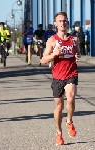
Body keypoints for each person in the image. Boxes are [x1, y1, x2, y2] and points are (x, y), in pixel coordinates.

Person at [40, 12, 81, 146]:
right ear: (56, 23)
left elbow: (77, 53)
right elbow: (43, 60)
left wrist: (77, 57)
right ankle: (59, 133)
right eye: (60, 21)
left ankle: (69, 121)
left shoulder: (74, 40)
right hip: (58, 76)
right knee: (59, 106)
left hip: (71, 73)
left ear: (67, 22)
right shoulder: (52, 40)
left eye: (65, 21)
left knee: (70, 98)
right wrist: (54, 54)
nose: (63, 23)